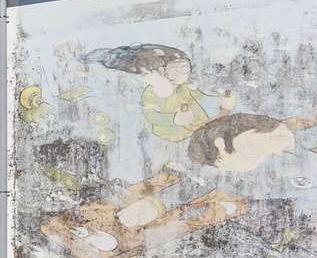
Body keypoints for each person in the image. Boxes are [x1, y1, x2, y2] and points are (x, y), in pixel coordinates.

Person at [85, 44, 235, 142]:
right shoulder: (153, 93)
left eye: (186, 68)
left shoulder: (186, 86)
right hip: (171, 134)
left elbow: (201, 97)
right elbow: (153, 117)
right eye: (177, 68)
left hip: (194, 129)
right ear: (163, 71)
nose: (184, 72)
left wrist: (219, 101)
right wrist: (173, 120)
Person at [187, 113, 296, 171]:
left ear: (220, 145)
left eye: (220, 160)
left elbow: (243, 166)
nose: (223, 169)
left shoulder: (245, 145)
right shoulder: (251, 139)